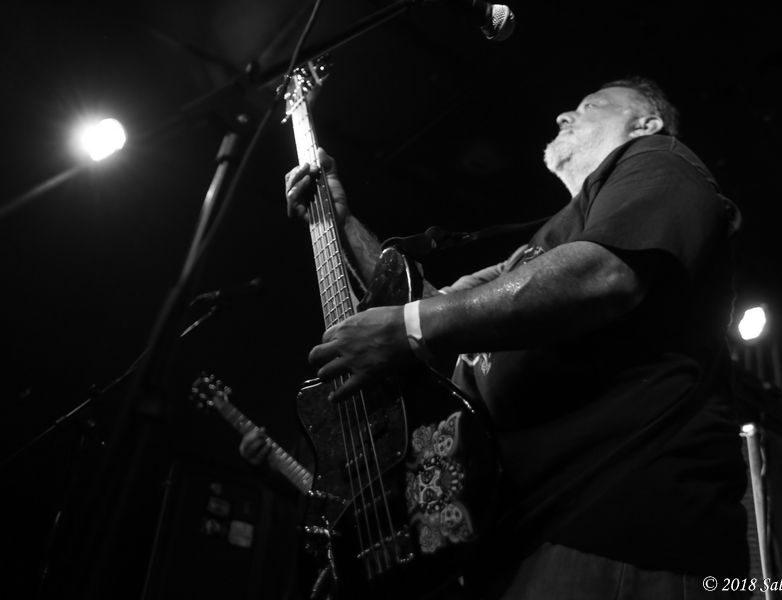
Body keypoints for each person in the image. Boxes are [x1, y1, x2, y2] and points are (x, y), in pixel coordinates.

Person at [242, 76, 749, 599]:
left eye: (591, 105)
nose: (564, 115)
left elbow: (604, 273)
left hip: (617, 528)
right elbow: (432, 307)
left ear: (646, 123)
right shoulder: (537, 250)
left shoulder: (658, 158)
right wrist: (342, 221)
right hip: (519, 540)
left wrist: (411, 326)